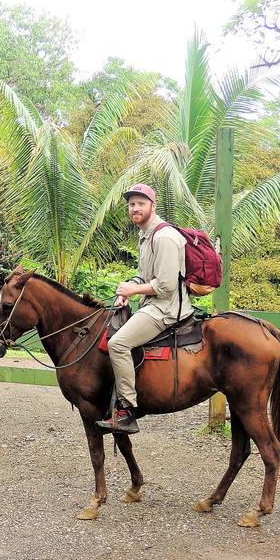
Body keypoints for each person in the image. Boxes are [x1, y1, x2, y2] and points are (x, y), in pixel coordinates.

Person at [96, 183, 193, 435]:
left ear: (153, 205)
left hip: (166, 309)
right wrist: (128, 288)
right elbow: (145, 276)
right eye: (131, 204)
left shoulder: (164, 237)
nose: (135, 208)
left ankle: (127, 410)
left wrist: (134, 291)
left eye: (140, 203)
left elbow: (166, 286)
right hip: (153, 303)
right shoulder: (145, 236)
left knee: (117, 344)